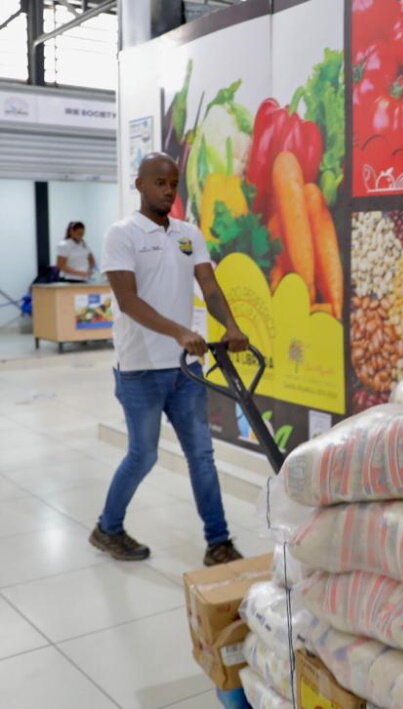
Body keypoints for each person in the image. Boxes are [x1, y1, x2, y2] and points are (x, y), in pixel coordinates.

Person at [92, 153, 249, 567]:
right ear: (140, 184)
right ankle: (108, 528)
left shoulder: (187, 233)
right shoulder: (121, 234)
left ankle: (219, 542)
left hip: (185, 370)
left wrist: (231, 325)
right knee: (143, 455)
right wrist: (179, 331)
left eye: (173, 183)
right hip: (140, 369)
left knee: (202, 455)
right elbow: (128, 301)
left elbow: (210, 287)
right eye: (159, 182)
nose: (167, 190)